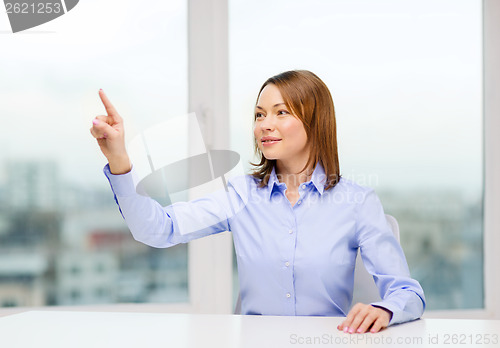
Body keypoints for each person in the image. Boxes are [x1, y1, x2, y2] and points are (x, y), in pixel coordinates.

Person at [90, 70, 425, 334]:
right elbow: (158, 229)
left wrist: (384, 309)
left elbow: (407, 293)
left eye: (281, 113)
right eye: (259, 114)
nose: (265, 125)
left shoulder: (356, 202)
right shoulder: (242, 195)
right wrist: (120, 160)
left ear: (315, 120)